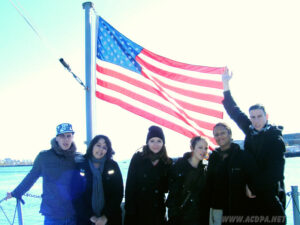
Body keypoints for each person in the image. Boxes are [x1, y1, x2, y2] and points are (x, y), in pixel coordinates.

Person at [221, 68, 286, 224]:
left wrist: (254, 188)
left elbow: (276, 172)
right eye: (253, 117)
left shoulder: (275, 139)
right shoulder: (250, 130)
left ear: (266, 116)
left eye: (259, 116)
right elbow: (234, 111)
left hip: (268, 193)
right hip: (250, 195)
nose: (256, 120)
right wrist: (225, 83)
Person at [6, 123, 78, 225]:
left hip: (74, 215)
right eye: (62, 136)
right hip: (52, 216)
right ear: (57, 138)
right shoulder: (44, 157)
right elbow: (31, 177)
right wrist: (15, 193)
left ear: (72, 137)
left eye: (68, 136)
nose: (65, 139)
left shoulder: (78, 158)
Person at [207, 122, 257, 225]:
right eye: (216, 134)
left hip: (238, 210)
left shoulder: (243, 156)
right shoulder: (213, 158)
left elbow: (255, 178)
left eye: (222, 133)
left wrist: (250, 186)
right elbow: (209, 183)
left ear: (230, 134)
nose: (219, 136)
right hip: (217, 210)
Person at [124, 125, 172, 225]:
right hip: (138, 210)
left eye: (159, 141)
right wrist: (130, 210)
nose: (155, 144)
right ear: (147, 142)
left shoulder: (167, 162)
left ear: (163, 143)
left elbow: (167, 188)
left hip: (157, 211)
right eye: (152, 141)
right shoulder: (138, 158)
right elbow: (130, 186)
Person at [72, 134, 123, 225]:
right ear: (92, 146)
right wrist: (91, 217)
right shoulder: (80, 165)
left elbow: (118, 193)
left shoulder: (112, 165)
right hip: (86, 220)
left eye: (104, 147)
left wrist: (105, 217)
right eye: (98, 145)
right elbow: (76, 195)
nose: (101, 150)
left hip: (109, 219)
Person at [167, 136, 209, 225]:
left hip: (199, 218)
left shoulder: (206, 170)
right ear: (192, 148)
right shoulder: (179, 166)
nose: (203, 151)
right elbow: (172, 195)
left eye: (206, 148)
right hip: (179, 218)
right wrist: (173, 216)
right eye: (200, 147)